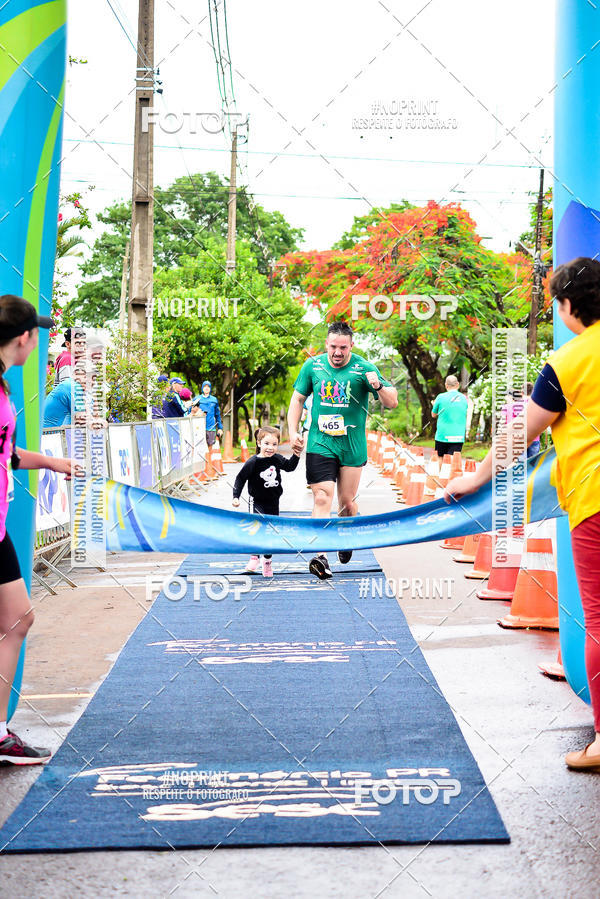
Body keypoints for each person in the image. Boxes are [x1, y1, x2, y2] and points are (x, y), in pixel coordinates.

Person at [444, 256, 600, 773]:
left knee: (598, 620)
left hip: (595, 502)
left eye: (557, 302)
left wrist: (476, 477)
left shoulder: (569, 361)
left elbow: (519, 434)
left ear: (569, 305)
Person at [0, 295, 76, 764]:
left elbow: (6, 453)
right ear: (24, 338)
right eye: (37, 335)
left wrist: (51, 462)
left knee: (18, 619)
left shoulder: (3, 386)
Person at [288, 321, 398, 579]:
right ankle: (321, 556)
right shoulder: (312, 366)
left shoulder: (363, 368)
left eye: (343, 348)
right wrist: (293, 432)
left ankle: (346, 535)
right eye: (333, 347)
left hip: (351, 446)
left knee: (347, 504)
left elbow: (392, 402)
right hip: (320, 443)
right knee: (322, 497)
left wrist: (379, 386)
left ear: (351, 346)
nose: (338, 353)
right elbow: (298, 399)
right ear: (326, 344)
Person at [232, 426, 300, 578]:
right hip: (256, 501)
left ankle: (267, 561)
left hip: (273, 501)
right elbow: (240, 478)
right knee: (257, 528)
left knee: (271, 531)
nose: (270, 448)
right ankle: (254, 557)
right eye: (266, 444)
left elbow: (289, 467)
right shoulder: (253, 462)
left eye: (274, 444)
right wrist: (235, 496)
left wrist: (296, 455)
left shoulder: (276, 459)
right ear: (259, 443)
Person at [431, 375, 469, 457]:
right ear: (457, 384)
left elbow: (433, 415)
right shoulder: (464, 398)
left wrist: (434, 405)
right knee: (453, 460)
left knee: (440, 457)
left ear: (446, 385)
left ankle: (441, 470)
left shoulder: (440, 397)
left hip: (442, 436)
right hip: (458, 436)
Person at [195, 381, 223, 447]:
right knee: (199, 448)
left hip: (211, 428)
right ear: (202, 388)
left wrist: (220, 428)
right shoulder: (197, 399)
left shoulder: (214, 400)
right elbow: (191, 412)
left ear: (210, 388)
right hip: (199, 428)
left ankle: (209, 457)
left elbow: (217, 415)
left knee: (210, 448)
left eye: (208, 386)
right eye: (205, 386)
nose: (206, 388)